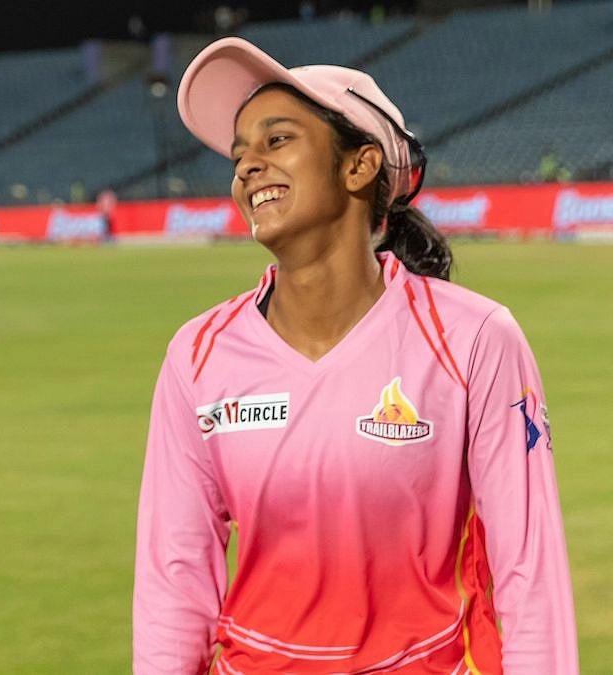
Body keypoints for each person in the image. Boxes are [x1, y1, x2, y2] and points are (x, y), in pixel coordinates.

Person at [133, 37, 577, 674]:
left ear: (360, 165)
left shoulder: (475, 338)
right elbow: (172, 587)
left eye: (276, 140)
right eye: (239, 155)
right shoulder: (197, 355)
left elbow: (530, 578)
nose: (247, 168)